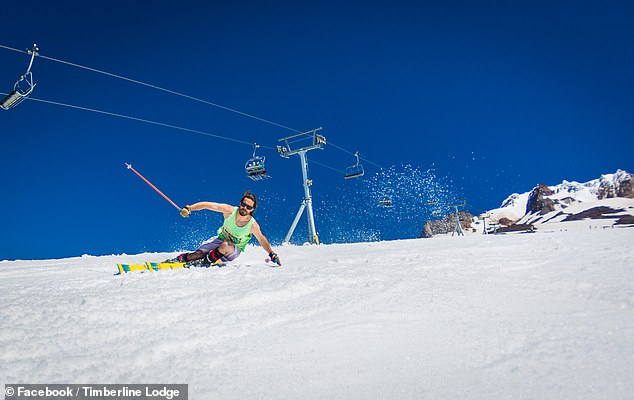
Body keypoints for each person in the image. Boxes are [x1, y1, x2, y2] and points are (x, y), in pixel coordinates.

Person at [168, 191, 281, 266]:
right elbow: (209, 205)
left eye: (248, 207)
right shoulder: (229, 211)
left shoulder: (252, 225)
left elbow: (262, 239)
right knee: (197, 254)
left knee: (226, 245)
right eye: (243, 204)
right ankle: (179, 259)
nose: (244, 208)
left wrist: (272, 254)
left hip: (233, 249)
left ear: (252, 209)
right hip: (219, 240)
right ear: (240, 203)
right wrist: (189, 208)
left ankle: (205, 262)